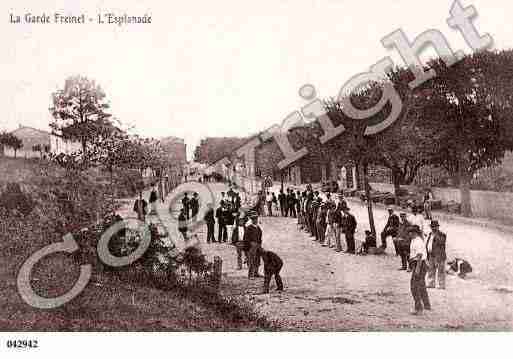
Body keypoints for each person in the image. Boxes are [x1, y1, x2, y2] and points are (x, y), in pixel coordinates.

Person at [409, 225, 431, 315]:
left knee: (414, 286)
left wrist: (417, 268)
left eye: (410, 232)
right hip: (420, 264)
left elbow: (420, 256)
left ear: (414, 232)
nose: (409, 233)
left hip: (419, 264)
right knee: (421, 285)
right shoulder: (415, 240)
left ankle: (418, 308)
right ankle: (426, 305)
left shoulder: (418, 241)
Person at [426, 220, 447, 289]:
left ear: (438, 227)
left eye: (435, 227)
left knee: (440, 270)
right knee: (431, 269)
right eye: (432, 227)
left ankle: (441, 285)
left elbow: (441, 242)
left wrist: (435, 235)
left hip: (439, 255)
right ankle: (431, 283)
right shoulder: (430, 234)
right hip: (431, 254)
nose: (433, 228)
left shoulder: (442, 235)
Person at [243, 211, 263, 278]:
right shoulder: (249, 228)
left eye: (256, 219)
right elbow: (245, 238)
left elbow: (260, 237)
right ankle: (250, 274)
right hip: (251, 246)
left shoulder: (258, 228)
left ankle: (256, 273)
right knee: (251, 260)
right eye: (254, 219)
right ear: (252, 220)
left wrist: (259, 245)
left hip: (257, 245)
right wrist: (249, 245)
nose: (255, 220)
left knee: (257, 260)